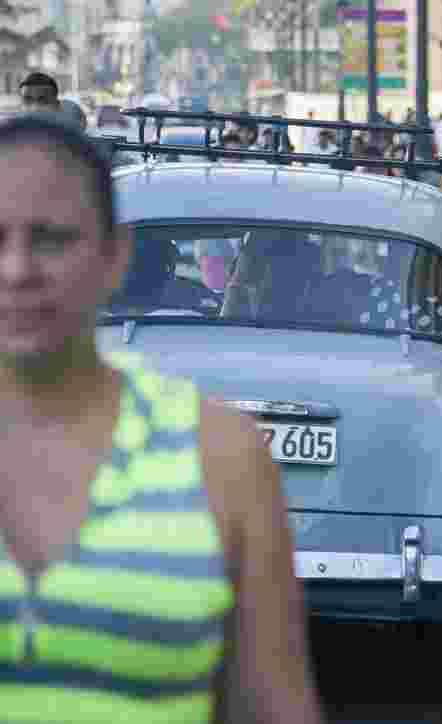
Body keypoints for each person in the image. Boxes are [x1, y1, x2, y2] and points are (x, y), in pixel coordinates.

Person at [0, 115, 324, 721]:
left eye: (51, 238)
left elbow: (275, 707)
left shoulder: (220, 457)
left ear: (114, 257)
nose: (17, 270)